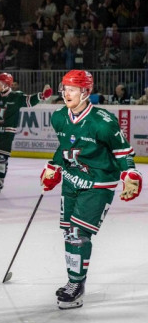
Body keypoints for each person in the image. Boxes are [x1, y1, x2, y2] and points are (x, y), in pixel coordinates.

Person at [39, 70, 142, 310]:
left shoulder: (102, 122)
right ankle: (73, 281)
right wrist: (54, 167)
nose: (66, 93)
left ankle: (76, 286)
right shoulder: (59, 117)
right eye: (65, 88)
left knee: (78, 235)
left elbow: (123, 152)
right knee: (68, 233)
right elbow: (64, 147)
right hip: (71, 182)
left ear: (85, 92)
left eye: (72, 89)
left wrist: (130, 174)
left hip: (98, 184)